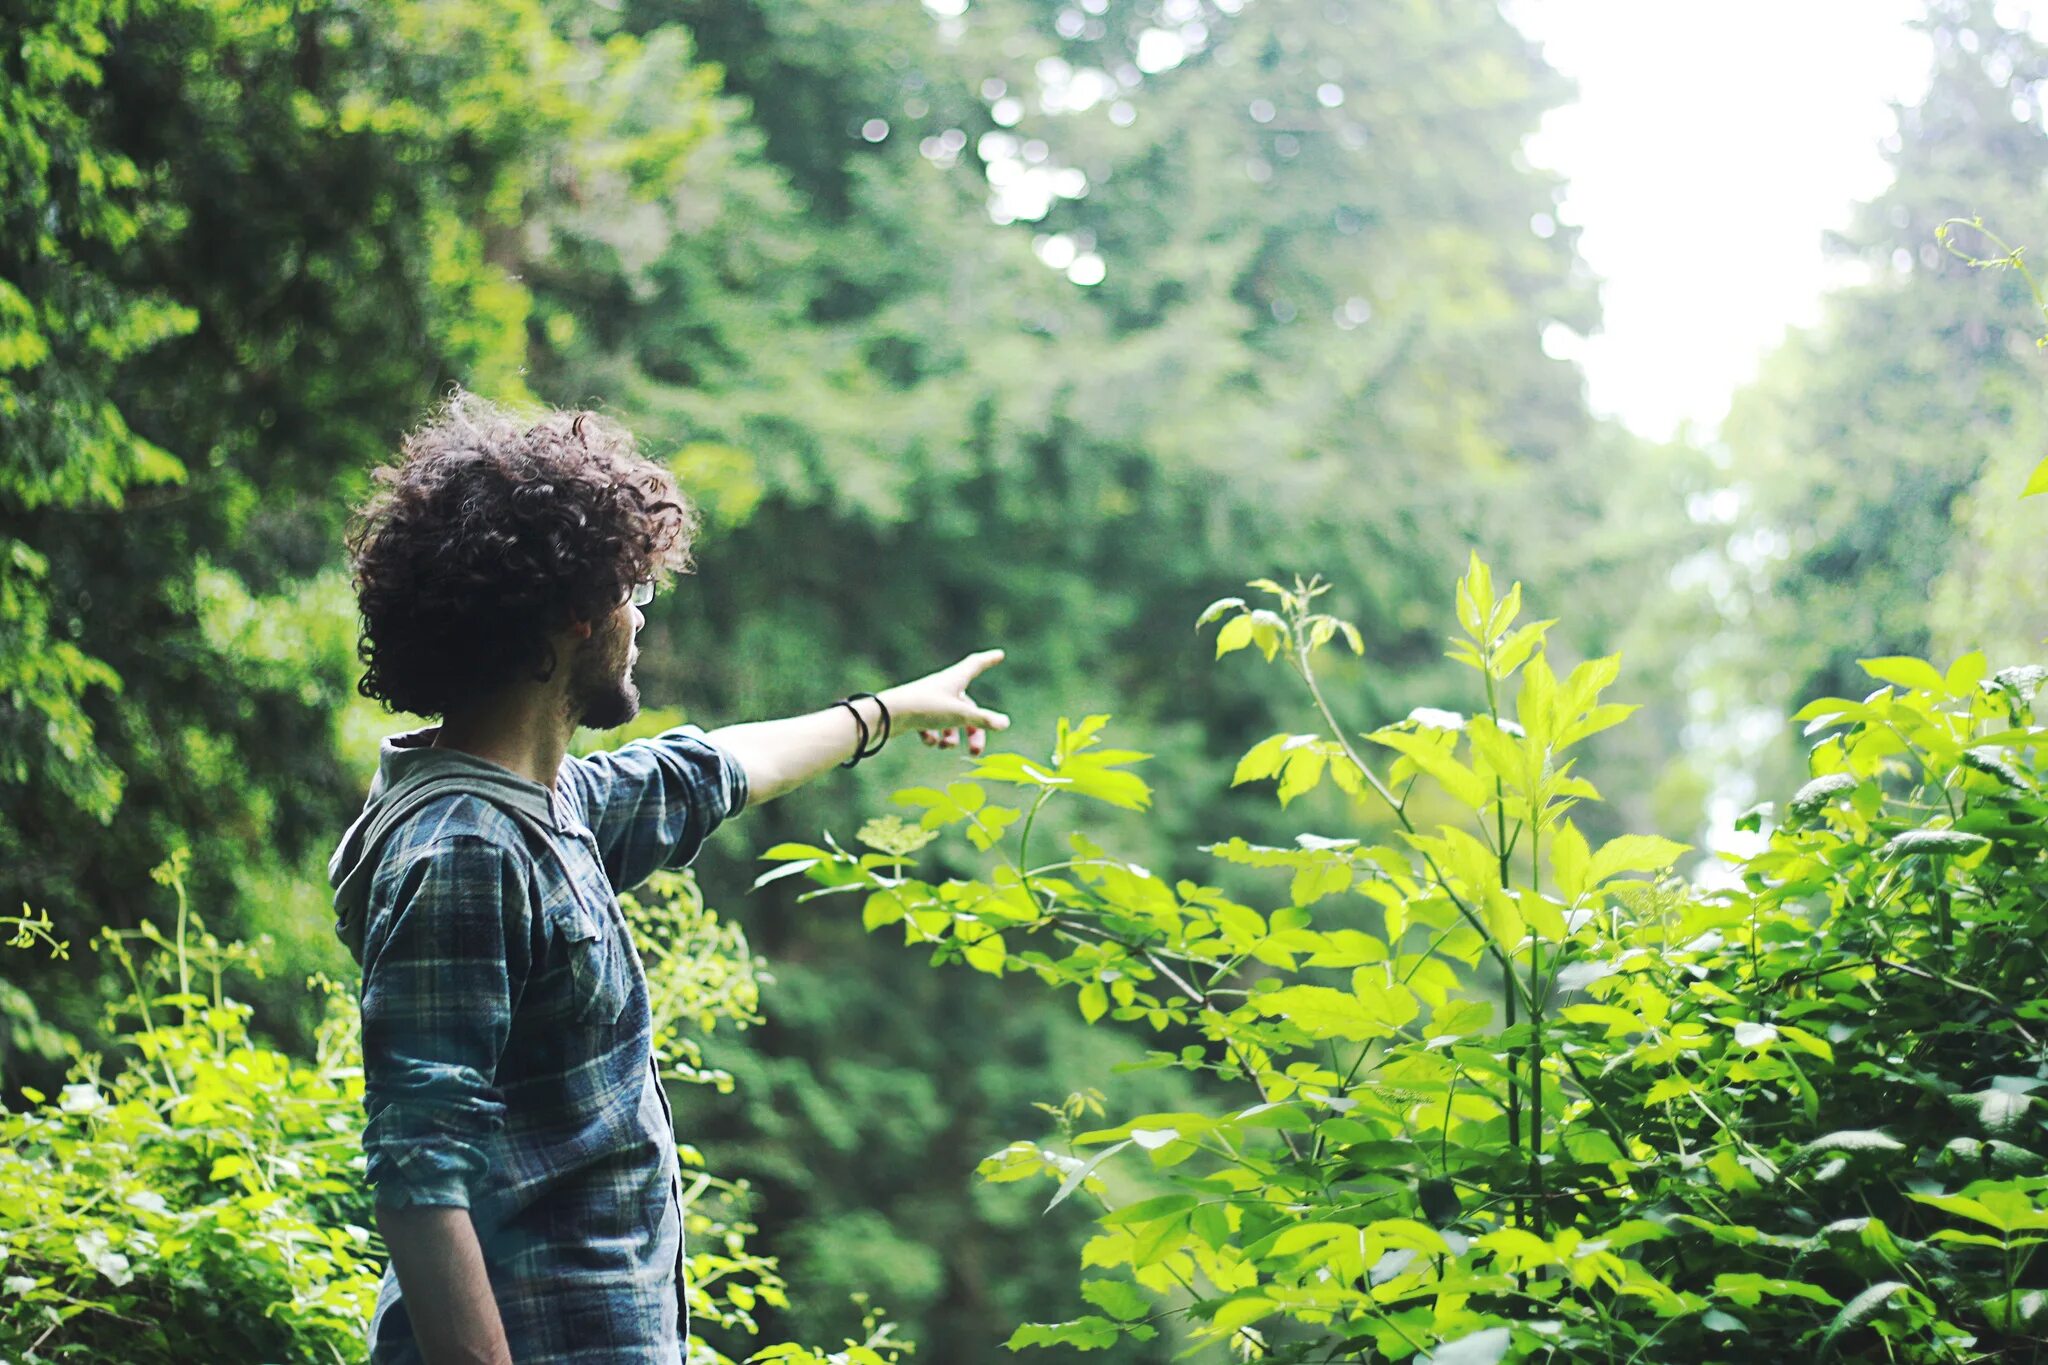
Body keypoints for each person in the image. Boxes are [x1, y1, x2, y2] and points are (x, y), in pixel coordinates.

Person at [327, 391, 1008, 1365]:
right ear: (573, 616)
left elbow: (705, 772)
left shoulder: (536, 808)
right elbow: (417, 1181)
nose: (638, 625)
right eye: (631, 598)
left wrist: (891, 711)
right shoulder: (466, 847)